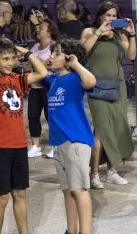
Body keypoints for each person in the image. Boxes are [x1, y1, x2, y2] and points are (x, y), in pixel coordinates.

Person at [0, 36, 48, 234]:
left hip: (18, 145)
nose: (10, 63)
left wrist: (23, 52)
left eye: (12, 59)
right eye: (5, 59)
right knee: (1, 197)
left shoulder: (17, 79)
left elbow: (42, 72)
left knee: (20, 194)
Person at [80, 1, 136, 189]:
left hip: (118, 87)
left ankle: (112, 171)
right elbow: (82, 52)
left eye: (114, 16)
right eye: (108, 15)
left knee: (118, 128)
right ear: (101, 16)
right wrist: (99, 32)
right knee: (102, 130)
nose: (111, 19)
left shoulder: (120, 36)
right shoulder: (89, 32)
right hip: (97, 87)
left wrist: (132, 34)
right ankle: (94, 174)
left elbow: (132, 56)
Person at [45, 39, 96, 234]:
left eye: (56, 53)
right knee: (68, 191)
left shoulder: (75, 78)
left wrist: (75, 63)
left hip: (75, 141)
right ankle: (71, 230)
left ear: (67, 58)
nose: (52, 56)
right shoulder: (53, 80)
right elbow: (39, 68)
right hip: (59, 143)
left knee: (79, 190)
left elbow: (91, 81)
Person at [26, 19, 61, 159]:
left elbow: (51, 65)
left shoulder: (54, 47)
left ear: (49, 31)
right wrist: (35, 64)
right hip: (35, 87)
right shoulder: (35, 47)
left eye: (41, 28)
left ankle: (55, 145)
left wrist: (35, 62)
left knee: (50, 116)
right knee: (32, 116)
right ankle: (35, 146)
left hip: (49, 87)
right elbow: (29, 65)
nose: (38, 30)